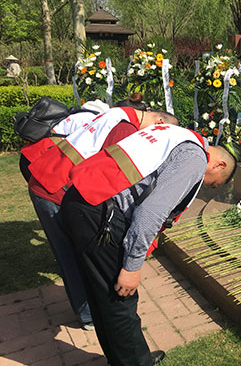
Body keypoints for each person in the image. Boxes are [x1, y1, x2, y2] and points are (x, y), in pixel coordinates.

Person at [60, 124, 236, 366]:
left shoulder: (175, 133)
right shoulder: (195, 158)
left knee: (101, 292)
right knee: (120, 297)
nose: (205, 185)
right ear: (219, 165)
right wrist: (131, 267)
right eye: (212, 183)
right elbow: (150, 212)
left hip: (81, 198)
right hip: (101, 215)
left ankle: (122, 359)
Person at [25, 107, 178, 330]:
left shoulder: (119, 114)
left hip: (51, 177)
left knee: (72, 252)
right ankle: (88, 315)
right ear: (160, 123)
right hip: (54, 188)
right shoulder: (125, 129)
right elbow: (111, 177)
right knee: (72, 255)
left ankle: (88, 308)